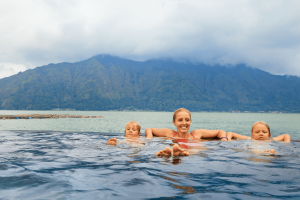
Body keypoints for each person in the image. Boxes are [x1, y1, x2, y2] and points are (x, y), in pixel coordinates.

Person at [145, 108, 228, 156]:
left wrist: (224, 139)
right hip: (186, 152)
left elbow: (220, 132)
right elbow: (149, 129)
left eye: (187, 120)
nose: (184, 123)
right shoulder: (170, 133)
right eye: (180, 120)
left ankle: (174, 154)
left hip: (194, 153)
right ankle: (174, 154)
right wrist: (149, 136)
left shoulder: (196, 134)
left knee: (199, 150)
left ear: (190, 122)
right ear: (174, 123)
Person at [226, 121, 291, 154]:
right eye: (257, 132)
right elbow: (230, 133)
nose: (261, 134)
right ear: (252, 135)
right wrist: (228, 140)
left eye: (264, 132)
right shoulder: (250, 139)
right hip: (253, 150)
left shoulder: (270, 139)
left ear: (269, 135)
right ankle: (263, 154)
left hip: (265, 149)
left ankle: (271, 154)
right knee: (247, 149)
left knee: (274, 152)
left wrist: (286, 144)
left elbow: (286, 136)